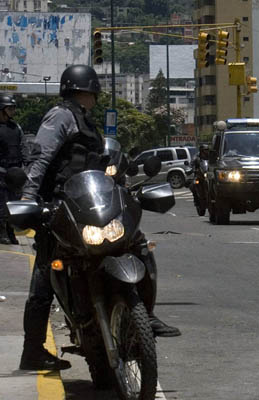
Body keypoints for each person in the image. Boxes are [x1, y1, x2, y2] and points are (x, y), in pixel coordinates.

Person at [19, 65, 180, 372]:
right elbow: (40, 159)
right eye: (92, 92)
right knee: (45, 275)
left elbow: (100, 163)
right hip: (61, 206)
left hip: (89, 202)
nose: (93, 98)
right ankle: (32, 350)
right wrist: (28, 197)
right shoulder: (61, 116)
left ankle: (144, 311)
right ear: (86, 91)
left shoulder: (84, 120)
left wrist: (121, 174)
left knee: (135, 242)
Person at [0, 94, 28, 245]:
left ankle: (11, 230)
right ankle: (2, 231)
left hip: (15, 171)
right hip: (1, 172)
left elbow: (23, 146)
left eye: (13, 108)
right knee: (2, 204)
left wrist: (27, 161)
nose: (12, 111)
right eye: (9, 108)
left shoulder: (16, 127)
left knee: (14, 204)